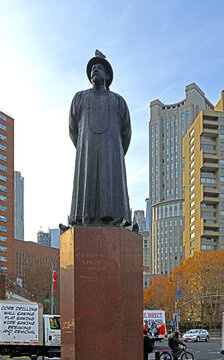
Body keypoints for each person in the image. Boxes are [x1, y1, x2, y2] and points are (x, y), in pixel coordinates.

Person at [69, 50, 131, 227]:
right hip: (86, 151)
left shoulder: (118, 101)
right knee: (86, 183)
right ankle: (84, 217)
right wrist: (85, 145)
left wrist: (115, 151)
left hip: (112, 153)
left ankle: (113, 217)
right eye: (93, 69)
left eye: (99, 68)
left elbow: (126, 132)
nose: (95, 70)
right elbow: (73, 129)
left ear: (107, 75)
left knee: (111, 181)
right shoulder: (79, 98)